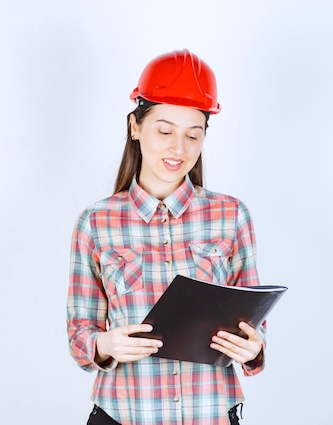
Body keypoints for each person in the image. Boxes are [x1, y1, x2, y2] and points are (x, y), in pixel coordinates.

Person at [67, 49, 266, 425]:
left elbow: (253, 329)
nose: (178, 149)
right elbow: (80, 333)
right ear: (135, 126)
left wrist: (253, 349)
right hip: (124, 414)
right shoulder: (96, 222)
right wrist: (105, 344)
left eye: (193, 135)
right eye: (164, 131)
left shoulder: (231, 216)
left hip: (210, 415)